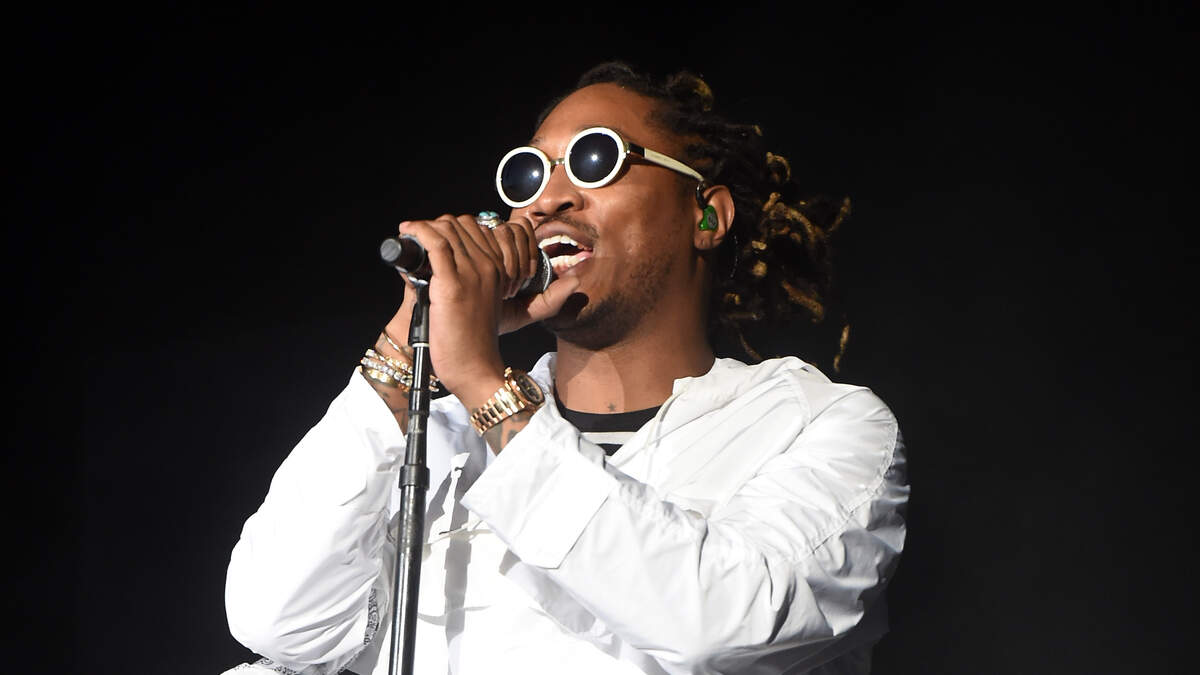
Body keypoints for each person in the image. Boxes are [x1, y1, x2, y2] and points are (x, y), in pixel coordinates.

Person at [223, 62, 909, 675]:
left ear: (706, 214)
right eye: (529, 173)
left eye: (595, 159)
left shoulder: (817, 425)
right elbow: (279, 623)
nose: (549, 198)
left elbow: (729, 623)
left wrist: (488, 387)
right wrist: (408, 344)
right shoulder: (438, 435)